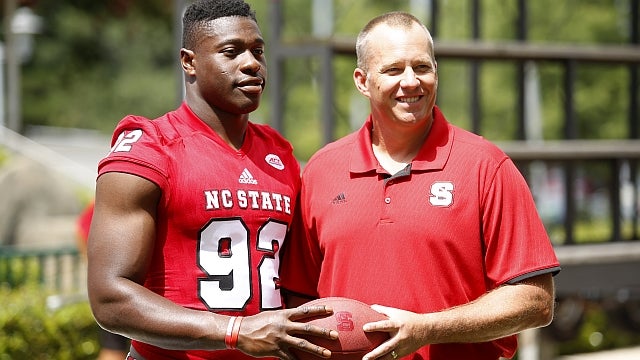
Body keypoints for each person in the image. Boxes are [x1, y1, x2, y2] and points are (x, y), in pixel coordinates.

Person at [280, 11, 561, 360]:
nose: (411, 81)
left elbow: (536, 300)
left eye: (422, 67)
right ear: (362, 81)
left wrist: (427, 329)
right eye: (393, 70)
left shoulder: (486, 166)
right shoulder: (322, 170)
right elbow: (299, 299)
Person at [86, 1, 338, 359]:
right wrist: (234, 331)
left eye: (258, 51)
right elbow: (109, 297)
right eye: (231, 52)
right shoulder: (151, 146)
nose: (252, 63)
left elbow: (297, 284)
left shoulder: (279, 153)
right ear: (189, 62)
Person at [76, 202, 131, 360]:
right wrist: (94, 266)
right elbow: (80, 228)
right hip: (119, 285)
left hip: (128, 285)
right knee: (114, 349)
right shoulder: (110, 198)